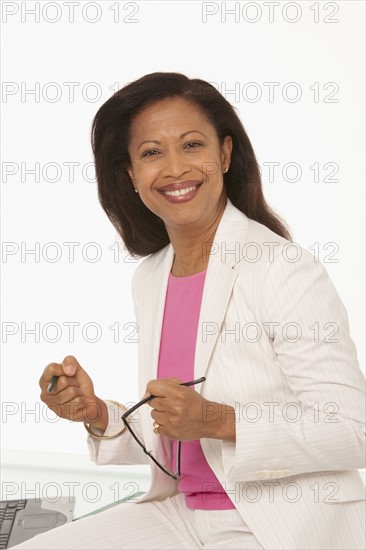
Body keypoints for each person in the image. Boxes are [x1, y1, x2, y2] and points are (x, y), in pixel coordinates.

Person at [14, 72, 365, 549]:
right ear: (131, 176)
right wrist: (98, 413)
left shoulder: (282, 268)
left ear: (224, 154)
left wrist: (218, 420)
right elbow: (175, 428)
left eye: (192, 144)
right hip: (184, 511)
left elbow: (352, 428)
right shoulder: (151, 276)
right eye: (152, 152)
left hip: (277, 518)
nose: (175, 168)